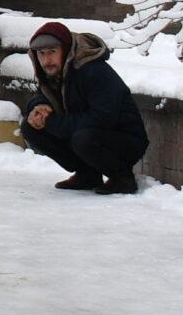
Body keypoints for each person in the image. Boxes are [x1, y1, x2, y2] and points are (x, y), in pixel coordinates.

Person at [19, 21, 148, 194]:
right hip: (88, 133)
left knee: (83, 137)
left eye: (52, 52)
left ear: (65, 50)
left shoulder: (93, 70)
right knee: (30, 128)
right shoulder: (54, 70)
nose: (47, 60)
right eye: (41, 54)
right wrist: (38, 107)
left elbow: (103, 118)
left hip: (124, 139)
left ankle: (122, 178)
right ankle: (87, 174)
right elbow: (43, 94)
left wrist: (52, 122)